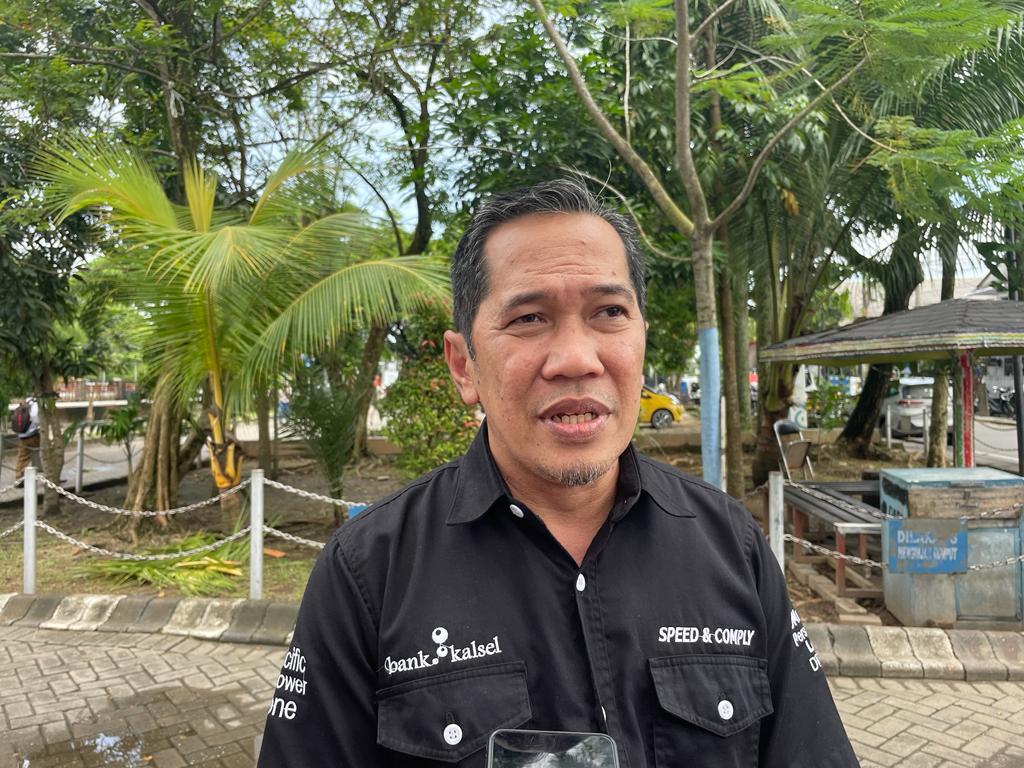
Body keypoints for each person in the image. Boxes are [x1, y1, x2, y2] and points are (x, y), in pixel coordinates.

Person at [257, 180, 859, 767]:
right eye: (528, 319)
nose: (576, 358)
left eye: (609, 312)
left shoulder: (732, 545)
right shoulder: (369, 572)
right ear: (464, 365)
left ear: (641, 340)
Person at [13, 397, 39, 484]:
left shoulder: (25, 402)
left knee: (22, 457)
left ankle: (18, 478)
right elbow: (36, 419)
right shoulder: (36, 404)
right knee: (49, 451)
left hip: (22, 434)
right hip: (33, 435)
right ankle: (51, 475)